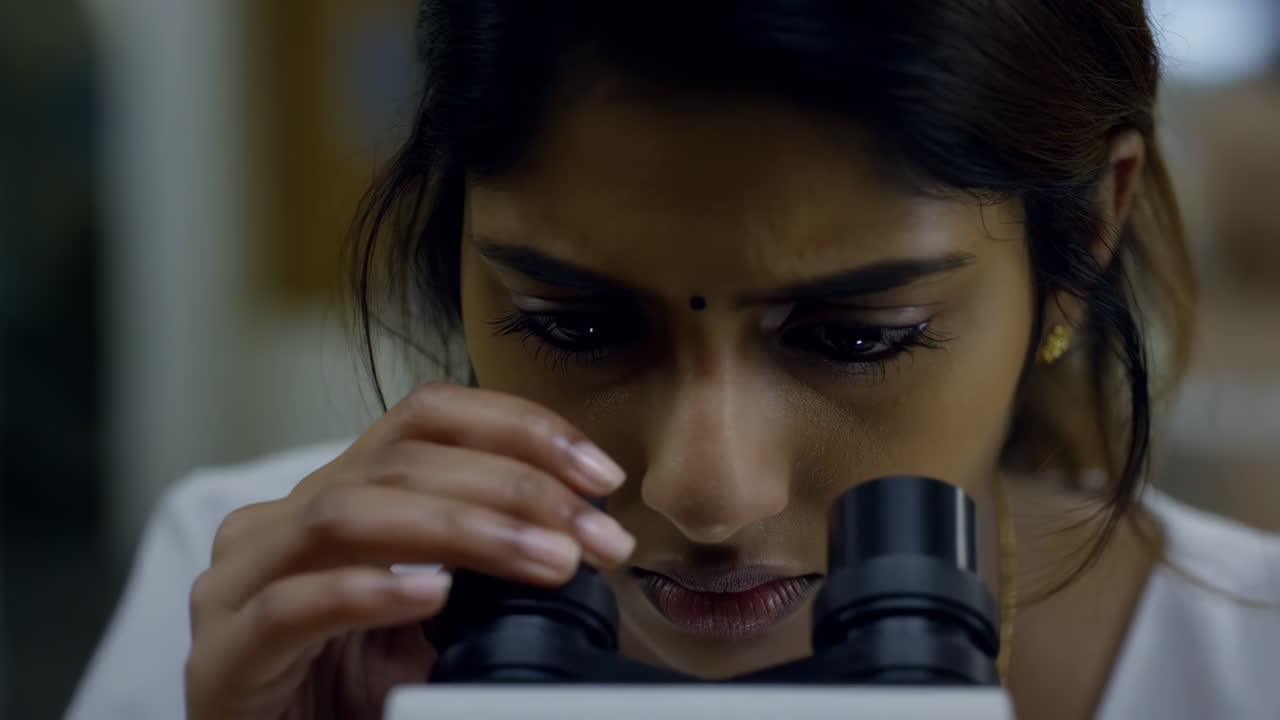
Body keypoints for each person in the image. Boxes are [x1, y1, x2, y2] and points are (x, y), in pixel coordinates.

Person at [67, 2, 1280, 719]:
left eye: (856, 338)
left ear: (1088, 237)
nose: (706, 491)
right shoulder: (247, 585)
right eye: (577, 327)